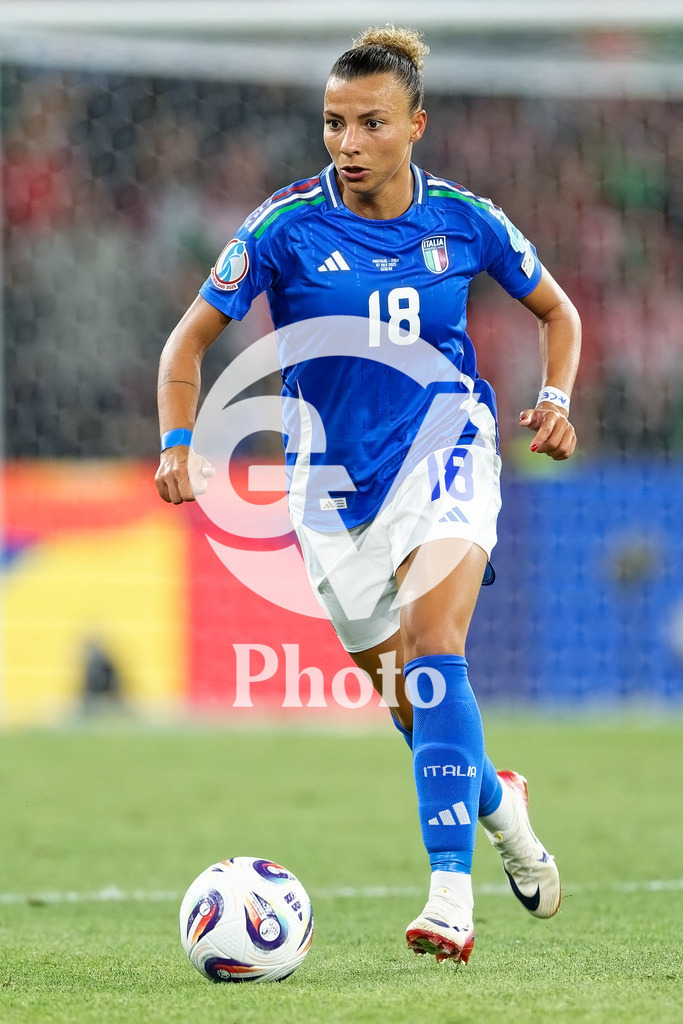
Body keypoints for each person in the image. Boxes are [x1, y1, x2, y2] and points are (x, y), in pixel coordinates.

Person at [155, 25, 580, 965]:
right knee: (411, 709)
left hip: (446, 443)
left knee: (438, 653)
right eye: (333, 123)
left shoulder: (465, 221)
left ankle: (448, 898)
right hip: (330, 490)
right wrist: (179, 441)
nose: (346, 142)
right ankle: (498, 804)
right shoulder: (284, 226)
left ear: (414, 126)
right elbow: (186, 343)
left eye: (369, 123)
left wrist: (552, 398)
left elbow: (558, 311)